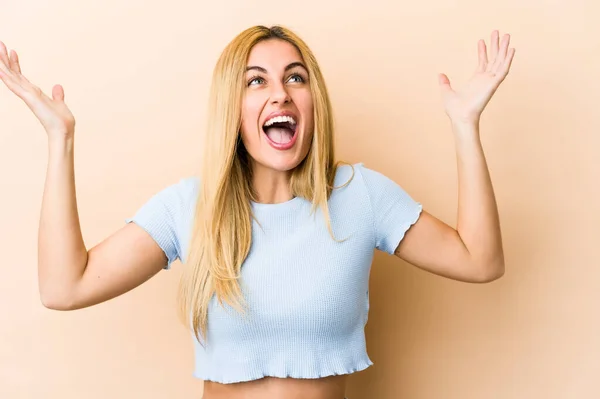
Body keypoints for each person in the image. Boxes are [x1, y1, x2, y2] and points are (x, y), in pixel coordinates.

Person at [0, 25, 514, 399]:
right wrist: (59, 139)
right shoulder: (191, 207)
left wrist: (465, 126)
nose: (279, 93)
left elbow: (480, 260)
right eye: (256, 81)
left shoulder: (361, 195)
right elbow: (64, 288)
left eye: (295, 77)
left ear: (313, 101)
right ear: (234, 108)